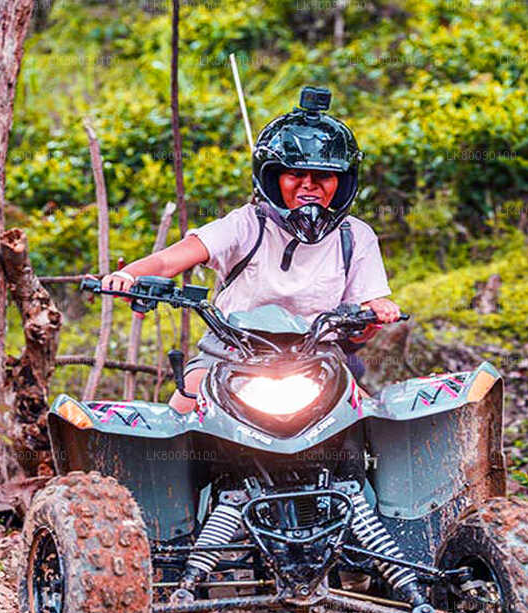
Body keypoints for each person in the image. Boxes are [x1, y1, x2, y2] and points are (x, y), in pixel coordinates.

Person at [101, 86, 401, 414]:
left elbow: (363, 325)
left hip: (319, 360)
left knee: (374, 427)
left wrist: (375, 314)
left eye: (324, 176)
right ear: (273, 178)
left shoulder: (355, 236)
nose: (309, 185)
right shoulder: (246, 224)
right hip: (231, 355)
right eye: (296, 174)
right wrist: (126, 276)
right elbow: (167, 260)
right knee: (177, 421)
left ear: (342, 182)